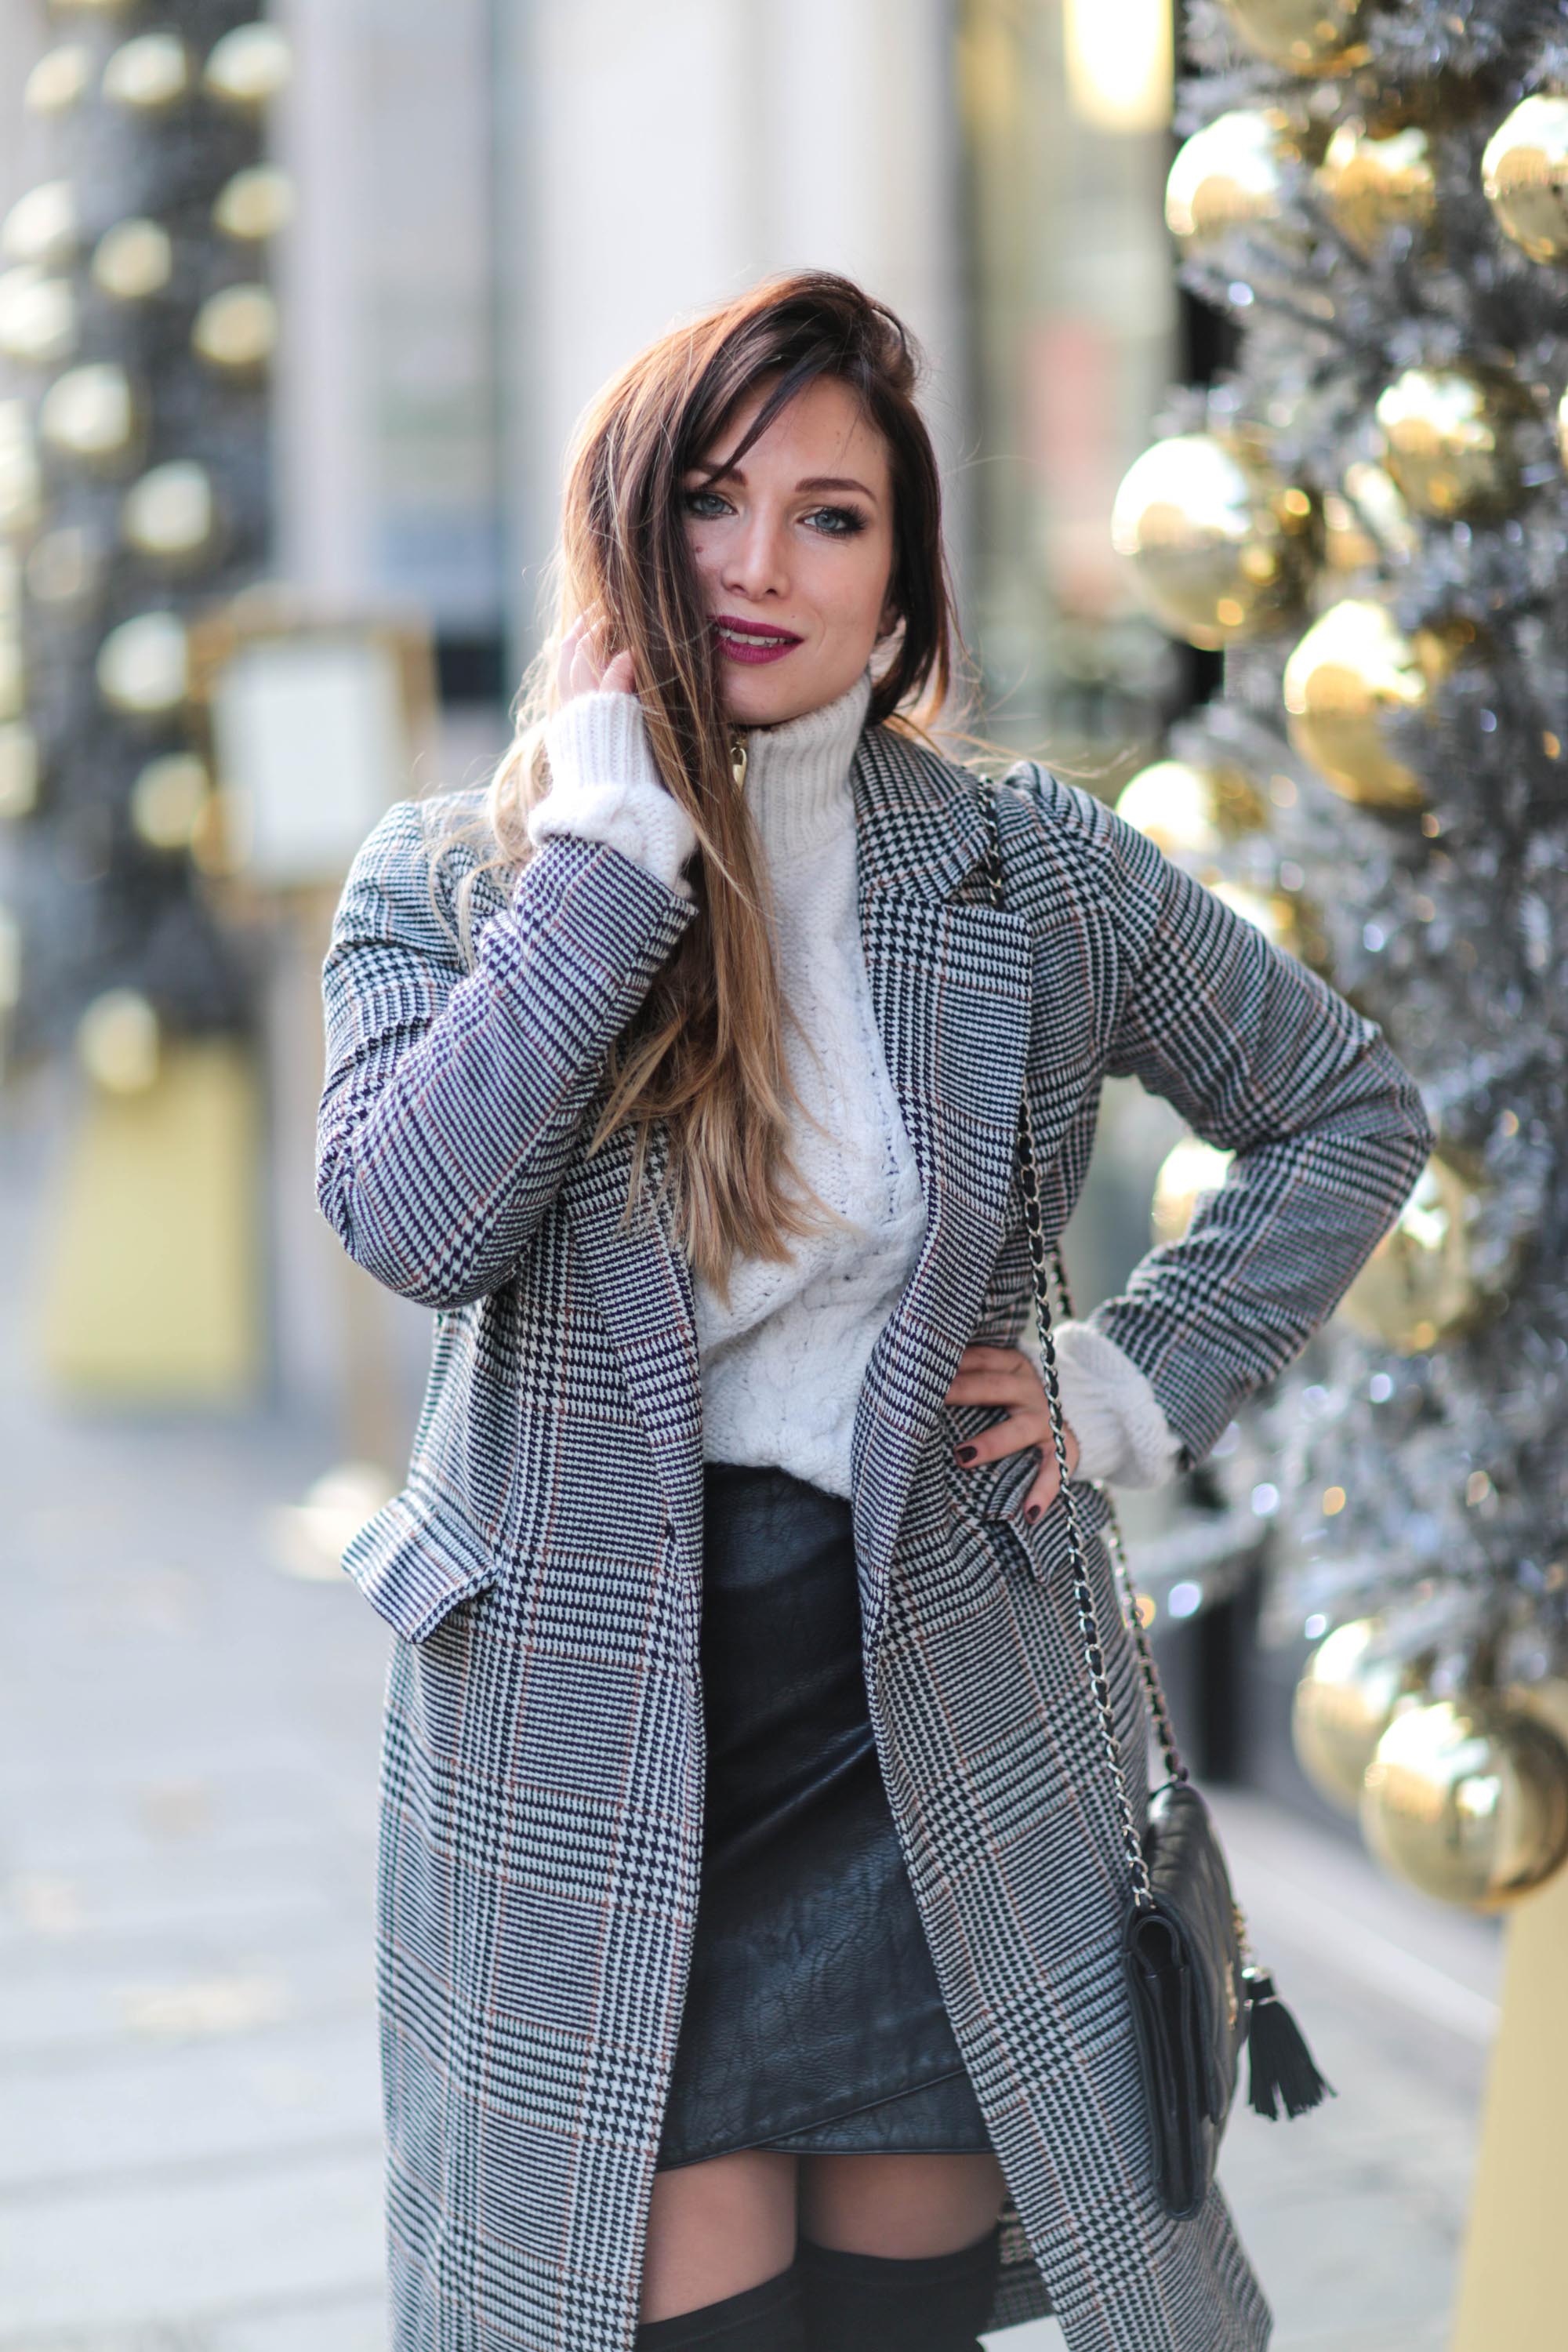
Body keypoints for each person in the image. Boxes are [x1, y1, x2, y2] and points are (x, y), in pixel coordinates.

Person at [316, 270, 1433, 2352]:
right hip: (594, 1742)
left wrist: (1126, 1380)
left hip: (934, 1718)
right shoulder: (453, 885)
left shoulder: (1030, 877)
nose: (763, 564)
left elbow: (1342, 1108)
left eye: (834, 516)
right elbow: (413, 1219)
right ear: (630, 522)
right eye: (718, 502)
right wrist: (612, 859)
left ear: (907, 574)